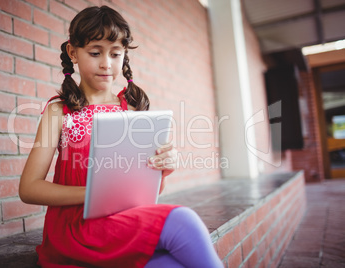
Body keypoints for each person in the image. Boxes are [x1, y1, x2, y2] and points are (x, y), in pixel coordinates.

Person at [19, 5, 223, 268]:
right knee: (184, 221)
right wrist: (93, 193)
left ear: (124, 55)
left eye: (115, 54)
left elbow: (141, 192)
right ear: (73, 52)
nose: (106, 63)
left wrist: (163, 168)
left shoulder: (132, 108)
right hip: (77, 229)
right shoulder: (60, 111)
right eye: (95, 53)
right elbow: (29, 188)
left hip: (123, 221)